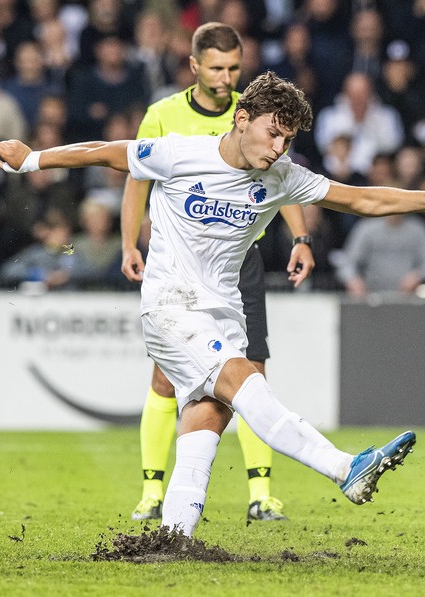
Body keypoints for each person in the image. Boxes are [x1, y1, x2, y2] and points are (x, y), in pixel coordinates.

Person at [0, 70, 425, 537]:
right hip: (170, 308)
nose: (279, 147)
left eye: (287, 139)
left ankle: (174, 536)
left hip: (225, 312)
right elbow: (106, 152)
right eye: (272, 133)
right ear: (242, 119)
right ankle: (344, 468)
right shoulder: (181, 153)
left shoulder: (282, 176)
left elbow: (360, 199)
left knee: (206, 418)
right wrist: (32, 159)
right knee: (247, 382)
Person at [118, 23, 316, 524]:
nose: (226, 77)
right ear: (195, 66)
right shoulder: (163, 115)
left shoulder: (258, 116)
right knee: (168, 379)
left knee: (252, 370)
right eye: (216, 68)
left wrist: (301, 237)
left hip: (238, 260)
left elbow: (283, 184)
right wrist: (128, 242)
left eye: (233, 68)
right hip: (180, 264)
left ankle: (261, 493)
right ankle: (152, 491)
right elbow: (135, 175)